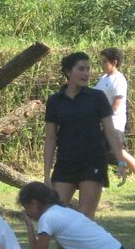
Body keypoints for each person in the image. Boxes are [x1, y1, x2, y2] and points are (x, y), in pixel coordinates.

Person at [44, 51, 128, 219]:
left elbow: (110, 131)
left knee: (85, 218)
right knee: (56, 215)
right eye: (81, 69)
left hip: (93, 162)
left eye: (88, 69)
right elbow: (51, 138)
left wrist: (121, 161)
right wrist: (46, 173)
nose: (86, 73)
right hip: (65, 162)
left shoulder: (97, 97)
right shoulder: (55, 101)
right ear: (68, 71)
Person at [18, 181, 126, 249]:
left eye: (26, 207)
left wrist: (29, 227)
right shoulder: (61, 211)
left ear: (34, 203)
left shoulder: (47, 218)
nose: (26, 212)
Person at [94, 47, 135, 188]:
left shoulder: (119, 79)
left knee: (117, 151)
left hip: (114, 123)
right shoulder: (103, 79)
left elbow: (117, 102)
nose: (102, 64)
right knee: (99, 152)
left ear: (114, 62)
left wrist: (104, 117)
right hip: (102, 123)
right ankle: (100, 183)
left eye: (105, 61)